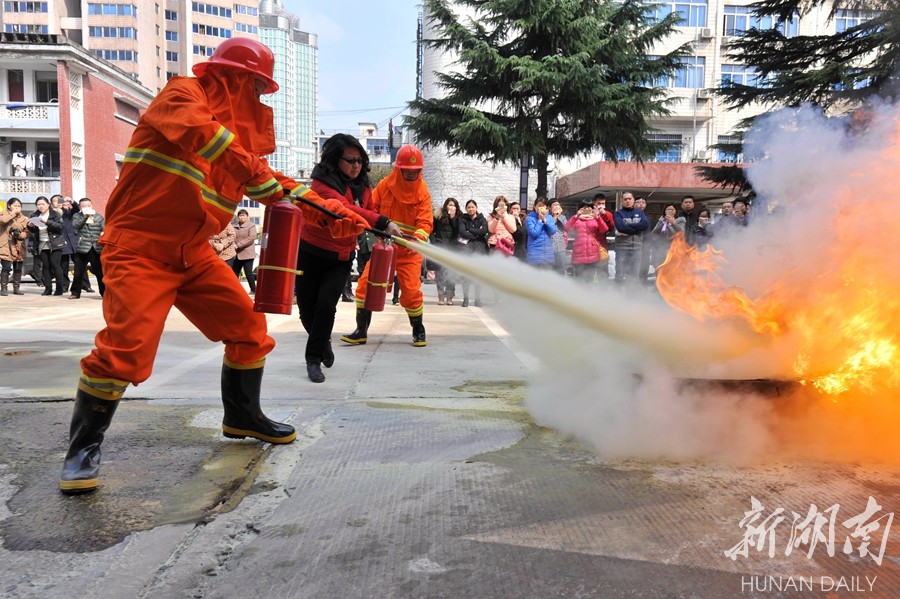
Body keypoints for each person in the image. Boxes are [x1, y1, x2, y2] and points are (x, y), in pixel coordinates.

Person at [57, 38, 369, 495]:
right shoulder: (182, 97)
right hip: (140, 248)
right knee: (126, 350)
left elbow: (268, 181)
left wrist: (328, 208)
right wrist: (259, 174)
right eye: (255, 87)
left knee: (248, 331)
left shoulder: (239, 144)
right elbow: (210, 139)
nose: (257, 100)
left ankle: (242, 417)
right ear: (232, 78)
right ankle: (82, 449)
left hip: (195, 252)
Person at [300, 133, 400, 382]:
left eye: (360, 161)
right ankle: (323, 343)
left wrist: (379, 223)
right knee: (306, 311)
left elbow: (368, 210)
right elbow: (343, 210)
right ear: (335, 160)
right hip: (310, 252)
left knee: (325, 306)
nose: (356, 166)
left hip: (340, 256)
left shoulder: (363, 186)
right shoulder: (321, 184)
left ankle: (313, 359)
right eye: (350, 160)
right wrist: (382, 222)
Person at [341, 144, 432, 347]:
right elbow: (371, 210)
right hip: (386, 249)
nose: (411, 175)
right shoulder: (384, 186)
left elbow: (425, 221)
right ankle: (361, 331)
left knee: (410, 292)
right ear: (398, 169)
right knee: (365, 285)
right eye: (407, 171)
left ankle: (418, 329)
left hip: (409, 251)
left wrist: (417, 238)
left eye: (415, 171)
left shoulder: (423, 193)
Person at [26, 196, 65, 296]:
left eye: (43, 204)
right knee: (45, 266)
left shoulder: (55, 214)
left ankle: (59, 288)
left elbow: (60, 227)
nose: (41, 206)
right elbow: (34, 232)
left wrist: (47, 222)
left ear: (48, 204)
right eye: (38, 204)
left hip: (55, 243)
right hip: (42, 243)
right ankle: (48, 288)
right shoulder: (34, 215)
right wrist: (30, 226)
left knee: (55, 265)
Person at [69, 198, 106, 299]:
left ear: (92, 205)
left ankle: (104, 293)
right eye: (83, 206)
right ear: (80, 207)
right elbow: (76, 226)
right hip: (82, 247)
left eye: (88, 205)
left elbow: (104, 228)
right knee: (78, 272)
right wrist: (85, 216)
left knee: (100, 272)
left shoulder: (98, 217)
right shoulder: (77, 216)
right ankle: (75, 293)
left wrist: (103, 233)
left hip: (96, 247)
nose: (86, 208)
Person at [565, 198, 609, 283]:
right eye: (585, 207)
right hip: (579, 256)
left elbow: (604, 229)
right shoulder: (576, 219)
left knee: (590, 280)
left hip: (593, 255)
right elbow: (567, 228)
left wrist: (598, 217)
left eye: (589, 207)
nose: (587, 209)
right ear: (580, 208)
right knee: (579, 281)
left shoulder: (595, 219)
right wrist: (576, 216)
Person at [613, 191, 650, 283]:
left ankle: (632, 295)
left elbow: (645, 225)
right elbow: (620, 227)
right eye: (625, 199)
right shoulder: (618, 214)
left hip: (637, 248)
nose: (628, 201)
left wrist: (628, 227)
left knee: (634, 275)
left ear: (633, 200)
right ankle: (617, 295)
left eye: (630, 199)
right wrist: (637, 230)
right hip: (622, 248)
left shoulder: (640, 213)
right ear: (622, 201)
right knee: (620, 274)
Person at [458, 199, 489, 307]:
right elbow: (462, 232)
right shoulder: (463, 219)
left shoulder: (482, 219)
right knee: (465, 275)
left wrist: (470, 230)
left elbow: (484, 231)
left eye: (472, 207)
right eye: (469, 207)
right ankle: (465, 298)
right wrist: (477, 234)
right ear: (466, 209)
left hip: (480, 249)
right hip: (467, 250)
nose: (471, 209)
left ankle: (477, 299)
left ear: (476, 208)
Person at [431, 197, 461, 305]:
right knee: (439, 271)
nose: (451, 207)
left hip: (452, 248)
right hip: (440, 246)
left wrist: (453, 217)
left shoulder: (459, 217)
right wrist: (434, 243)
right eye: (449, 204)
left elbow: (457, 232)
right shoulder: (438, 216)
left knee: (451, 272)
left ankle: (449, 296)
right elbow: (432, 230)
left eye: (453, 205)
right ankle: (440, 295)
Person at [0, 197, 30, 296]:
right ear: (9, 206)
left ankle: (16, 288)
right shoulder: (3, 214)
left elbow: (27, 231)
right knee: (6, 267)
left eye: (19, 206)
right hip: (6, 245)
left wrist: (21, 235)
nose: (17, 208)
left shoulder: (24, 218)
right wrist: (13, 213)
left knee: (18, 267)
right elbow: (3, 221)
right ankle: (4, 288)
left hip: (18, 245)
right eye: (15, 206)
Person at [649, 203, 685, 272]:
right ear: (664, 211)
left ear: (676, 211)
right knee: (661, 269)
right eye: (668, 209)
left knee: (673, 270)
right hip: (661, 249)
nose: (670, 211)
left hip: (674, 248)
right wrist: (663, 223)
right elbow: (654, 233)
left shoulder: (681, 220)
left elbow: (682, 232)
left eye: (672, 209)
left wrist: (674, 223)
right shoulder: (661, 220)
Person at [525, 197, 557, 269]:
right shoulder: (529, 218)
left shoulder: (549, 217)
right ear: (534, 207)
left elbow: (553, 231)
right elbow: (534, 233)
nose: (541, 208)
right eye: (539, 206)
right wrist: (539, 220)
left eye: (543, 206)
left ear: (546, 208)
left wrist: (545, 220)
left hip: (548, 255)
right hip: (535, 255)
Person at [232, 209, 257, 294]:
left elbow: (251, 238)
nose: (242, 217)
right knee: (235, 273)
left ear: (247, 216)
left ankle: (253, 289)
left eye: (243, 215)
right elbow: (232, 236)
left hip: (247, 254)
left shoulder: (251, 225)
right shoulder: (234, 226)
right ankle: (234, 290)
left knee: (248, 273)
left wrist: (238, 245)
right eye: (240, 215)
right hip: (237, 254)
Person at [548, 199, 569, 274]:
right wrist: (554, 217)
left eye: (558, 205)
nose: (557, 206)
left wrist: (558, 216)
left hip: (561, 248)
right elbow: (549, 229)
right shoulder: (547, 217)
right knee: (550, 270)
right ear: (549, 208)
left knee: (561, 270)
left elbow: (567, 228)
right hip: (549, 248)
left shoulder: (563, 217)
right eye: (554, 205)